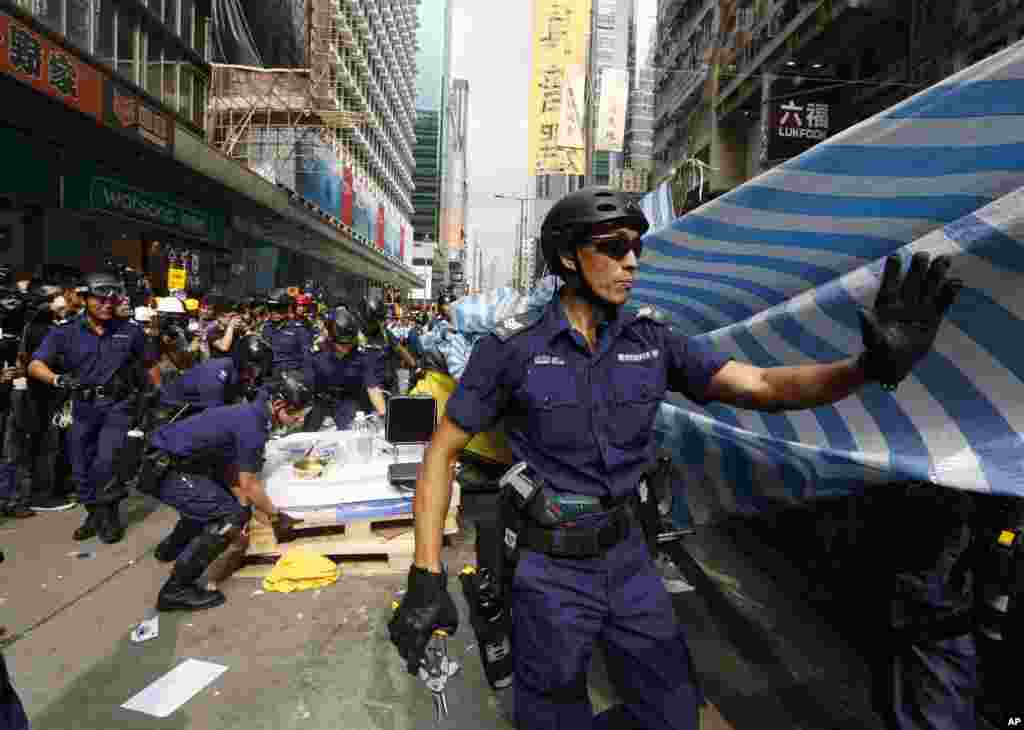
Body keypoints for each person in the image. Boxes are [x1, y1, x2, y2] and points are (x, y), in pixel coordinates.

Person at [389, 186, 964, 730]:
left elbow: (761, 384)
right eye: (614, 249)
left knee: (670, 711)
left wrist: (866, 368)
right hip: (549, 572)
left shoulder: (651, 340)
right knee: (551, 715)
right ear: (567, 257)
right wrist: (425, 572)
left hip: (630, 561)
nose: (632, 262)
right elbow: (442, 454)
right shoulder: (510, 349)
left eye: (636, 248)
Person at [146, 370, 309, 610]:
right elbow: (249, 483)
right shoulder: (253, 427)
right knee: (227, 517)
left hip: (166, 460)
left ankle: (170, 549)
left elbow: (229, 466)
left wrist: (244, 503)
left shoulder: (249, 413)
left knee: (223, 504)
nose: (299, 421)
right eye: (295, 414)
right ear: (277, 405)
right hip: (162, 469)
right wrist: (275, 517)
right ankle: (176, 590)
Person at [28, 271, 157, 544]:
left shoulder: (130, 331)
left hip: (118, 406)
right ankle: (93, 513)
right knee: (81, 467)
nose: (107, 305)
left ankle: (108, 515)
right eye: (100, 299)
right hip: (82, 406)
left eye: (113, 300)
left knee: (107, 463)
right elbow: (35, 365)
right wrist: (58, 379)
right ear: (85, 298)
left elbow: (150, 366)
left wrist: (154, 401)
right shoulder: (64, 331)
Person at [302, 305, 386, 432]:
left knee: (353, 435)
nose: (346, 347)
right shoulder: (316, 354)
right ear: (330, 338)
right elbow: (307, 386)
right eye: (341, 343)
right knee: (308, 439)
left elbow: (373, 387)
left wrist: (383, 416)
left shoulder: (361, 356)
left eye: (349, 342)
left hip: (349, 402)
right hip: (321, 403)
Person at [361, 291, 416, 394]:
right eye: (376, 320)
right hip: (366, 388)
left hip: (387, 387)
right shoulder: (356, 336)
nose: (380, 323)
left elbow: (401, 350)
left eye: (379, 319)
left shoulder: (386, 334)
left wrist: (415, 366)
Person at [262, 289, 313, 375]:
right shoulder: (266, 328)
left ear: (287, 308)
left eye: (278, 308)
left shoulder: (299, 330)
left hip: (291, 378)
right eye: (271, 308)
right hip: (269, 377)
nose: (274, 312)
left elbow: (307, 360)